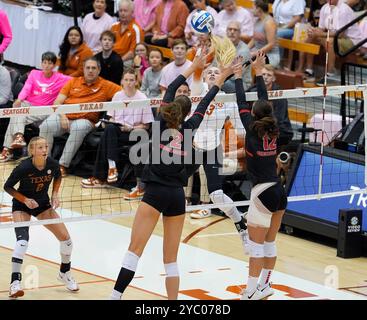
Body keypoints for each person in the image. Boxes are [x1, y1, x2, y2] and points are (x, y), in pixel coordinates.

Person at [110, 48, 234, 300]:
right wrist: (224, 77)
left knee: (134, 251)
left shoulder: (159, 124)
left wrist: (193, 66)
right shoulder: (190, 128)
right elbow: (209, 98)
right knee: (171, 260)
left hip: (154, 192)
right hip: (177, 197)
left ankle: (115, 297)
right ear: (188, 113)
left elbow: (172, 87)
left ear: (169, 108)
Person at [233, 52, 287, 300]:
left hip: (262, 193)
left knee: (256, 247)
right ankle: (265, 285)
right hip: (279, 191)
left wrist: (237, 77)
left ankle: (251, 290)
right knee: (269, 243)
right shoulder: (272, 127)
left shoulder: (252, 130)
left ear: (254, 114)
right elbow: (262, 99)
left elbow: (241, 101)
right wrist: (257, 71)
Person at [4, 136, 79, 298]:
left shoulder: (52, 163)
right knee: (22, 242)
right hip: (22, 206)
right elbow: (8, 187)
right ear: (32, 151)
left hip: (43, 205)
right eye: (40, 148)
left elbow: (58, 176)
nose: (44, 150)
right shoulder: (23, 167)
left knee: (67, 241)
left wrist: (55, 194)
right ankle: (14, 283)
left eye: (46, 146)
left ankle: (64, 272)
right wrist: (25, 200)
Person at [39, 57, 121, 177]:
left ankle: (62, 166)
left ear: (99, 70)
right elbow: (57, 102)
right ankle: (45, 163)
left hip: (85, 120)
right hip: (64, 117)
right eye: (88, 68)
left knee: (78, 128)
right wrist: (62, 116)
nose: (90, 71)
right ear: (83, 69)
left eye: (94, 68)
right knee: (45, 126)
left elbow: (125, 94)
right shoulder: (73, 82)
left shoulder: (106, 85)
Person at [81, 69, 154, 188]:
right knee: (109, 129)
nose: (129, 83)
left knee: (107, 136)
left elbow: (146, 126)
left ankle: (101, 176)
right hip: (117, 131)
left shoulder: (142, 98)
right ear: (122, 81)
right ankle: (111, 169)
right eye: (126, 80)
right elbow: (110, 117)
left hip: (134, 133)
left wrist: (130, 128)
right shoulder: (117, 96)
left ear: (136, 82)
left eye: (131, 80)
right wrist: (111, 122)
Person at [0, 52, 71, 163]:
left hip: (45, 109)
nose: (47, 65)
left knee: (17, 115)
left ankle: (8, 149)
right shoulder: (34, 73)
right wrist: (19, 99)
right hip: (29, 106)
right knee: (17, 110)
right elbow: (27, 88)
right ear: (41, 63)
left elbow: (77, 80)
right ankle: (18, 137)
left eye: (50, 63)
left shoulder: (60, 78)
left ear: (54, 65)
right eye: (44, 62)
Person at [296, 0, 361, 84]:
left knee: (330, 41)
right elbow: (321, 28)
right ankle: (309, 70)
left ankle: (330, 73)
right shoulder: (324, 8)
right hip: (335, 37)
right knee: (311, 37)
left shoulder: (344, 9)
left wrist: (321, 34)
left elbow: (340, 34)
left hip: (351, 40)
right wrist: (314, 31)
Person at [248, 64, 293, 148]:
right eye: (263, 74)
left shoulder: (280, 95)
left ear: (273, 78)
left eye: (269, 75)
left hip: (281, 131)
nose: (265, 77)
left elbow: (279, 119)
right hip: (261, 127)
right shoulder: (251, 91)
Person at [222, 21, 252, 93]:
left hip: (240, 84)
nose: (232, 32)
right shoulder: (223, 46)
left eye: (235, 30)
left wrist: (219, 73)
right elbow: (214, 64)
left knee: (216, 81)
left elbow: (233, 76)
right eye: (230, 29)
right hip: (225, 78)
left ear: (239, 33)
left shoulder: (243, 51)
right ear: (226, 32)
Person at [111, 0, 144, 67]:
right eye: (120, 11)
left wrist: (118, 61)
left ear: (132, 12)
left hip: (127, 61)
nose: (122, 13)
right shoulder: (113, 26)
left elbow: (133, 53)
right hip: (112, 58)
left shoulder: (136, 29)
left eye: (125, 11)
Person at [248, 0, 280, 67]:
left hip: (270, 55)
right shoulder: (257, 20)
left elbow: (271, 44)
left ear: (258, 9)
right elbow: (254, 40)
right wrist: (245, 49)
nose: (251, 10)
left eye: (253, 8)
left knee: (247, 65)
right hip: (257, 53)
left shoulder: (269, 23)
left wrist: (254, 53)